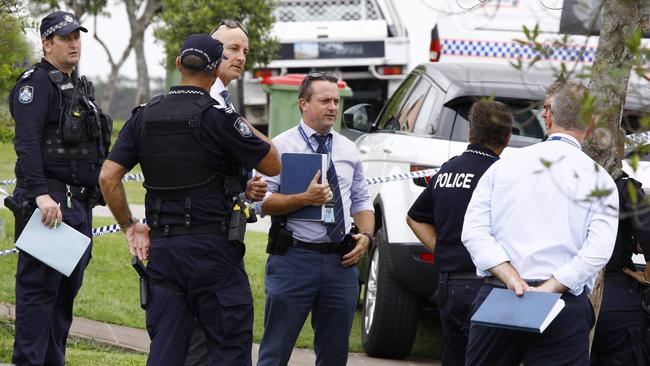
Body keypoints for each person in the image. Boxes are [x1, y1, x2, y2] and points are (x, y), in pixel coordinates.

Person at [99, 34, 280, 365]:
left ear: (178, 64)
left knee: (167, 350)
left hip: (165, 251)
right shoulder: (218, 117)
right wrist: (233, 118)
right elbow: (272, 162)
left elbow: (108, 177)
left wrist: (128, 224)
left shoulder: (143, 115)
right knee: (227, 348)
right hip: (213, 250)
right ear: (215, 71)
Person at [461, 82, 619, 366]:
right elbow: (598, 250)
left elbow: (473, 231)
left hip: (502, 293)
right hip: (562, 302)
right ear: (592, 122)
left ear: (548, 115)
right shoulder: (601, 181)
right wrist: (551, 287)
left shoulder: (503, 167)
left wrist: (508, 274)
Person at [9, 10, 112, 365]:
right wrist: (40, 195)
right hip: (50, 205)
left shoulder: (76, 86)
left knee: (63, 297)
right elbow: (27, 142)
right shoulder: (34, 84)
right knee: (39, 297)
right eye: (65, 38)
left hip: (77, 206)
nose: (73, 43)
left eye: (76, 37)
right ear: (46, 44)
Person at [255, 71, 374, 365]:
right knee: (275, 351)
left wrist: (367, 237)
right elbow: (261, 203)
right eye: (325, 101)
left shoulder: (349, 149)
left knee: (334, 355)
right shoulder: (279, 147)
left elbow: (361, 200)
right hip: (294, 260)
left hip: (340, 264)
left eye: (336, 100)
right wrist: (303, 200)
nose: (333, 107)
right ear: (303, 104)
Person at [406, 100, 513, 366]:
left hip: (449, 285)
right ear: (508, 138)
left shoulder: (447, 170)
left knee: (454, 355)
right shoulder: (501, 174)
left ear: (470, 132)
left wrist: (441, 249)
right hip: (486, 284)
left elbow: (414, 218)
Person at [183, 19, 263, 366]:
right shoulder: (206, 102)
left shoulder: (225, 101)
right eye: (232, 49)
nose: (240, 57)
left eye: (245, 50)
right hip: (201, 236)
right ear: (211, 53)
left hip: (225, 230)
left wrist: (244, 185)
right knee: (207, 338)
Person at [590, 134, 650, 365]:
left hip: (567, 291)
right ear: (621, 152)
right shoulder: (624, 187)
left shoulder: (567, 183)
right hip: (614, 292)